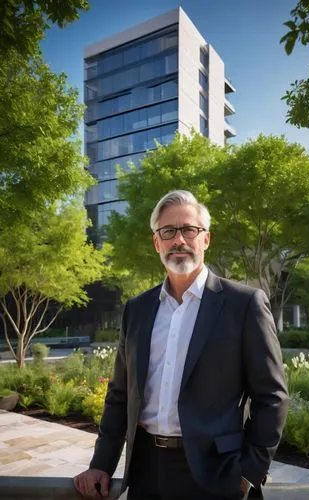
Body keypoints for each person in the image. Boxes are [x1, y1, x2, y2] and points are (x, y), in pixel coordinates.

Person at [74, 190, 289, 500]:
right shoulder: (137, 309)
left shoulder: (243, 305)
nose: (179, 240)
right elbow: (120, 395)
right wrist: (101, 464)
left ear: (206, 239)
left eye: (190, 229)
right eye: (168, 231)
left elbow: (272, 396)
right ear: (157, 242)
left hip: (217, 475)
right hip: (145, 472)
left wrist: (248, 472)